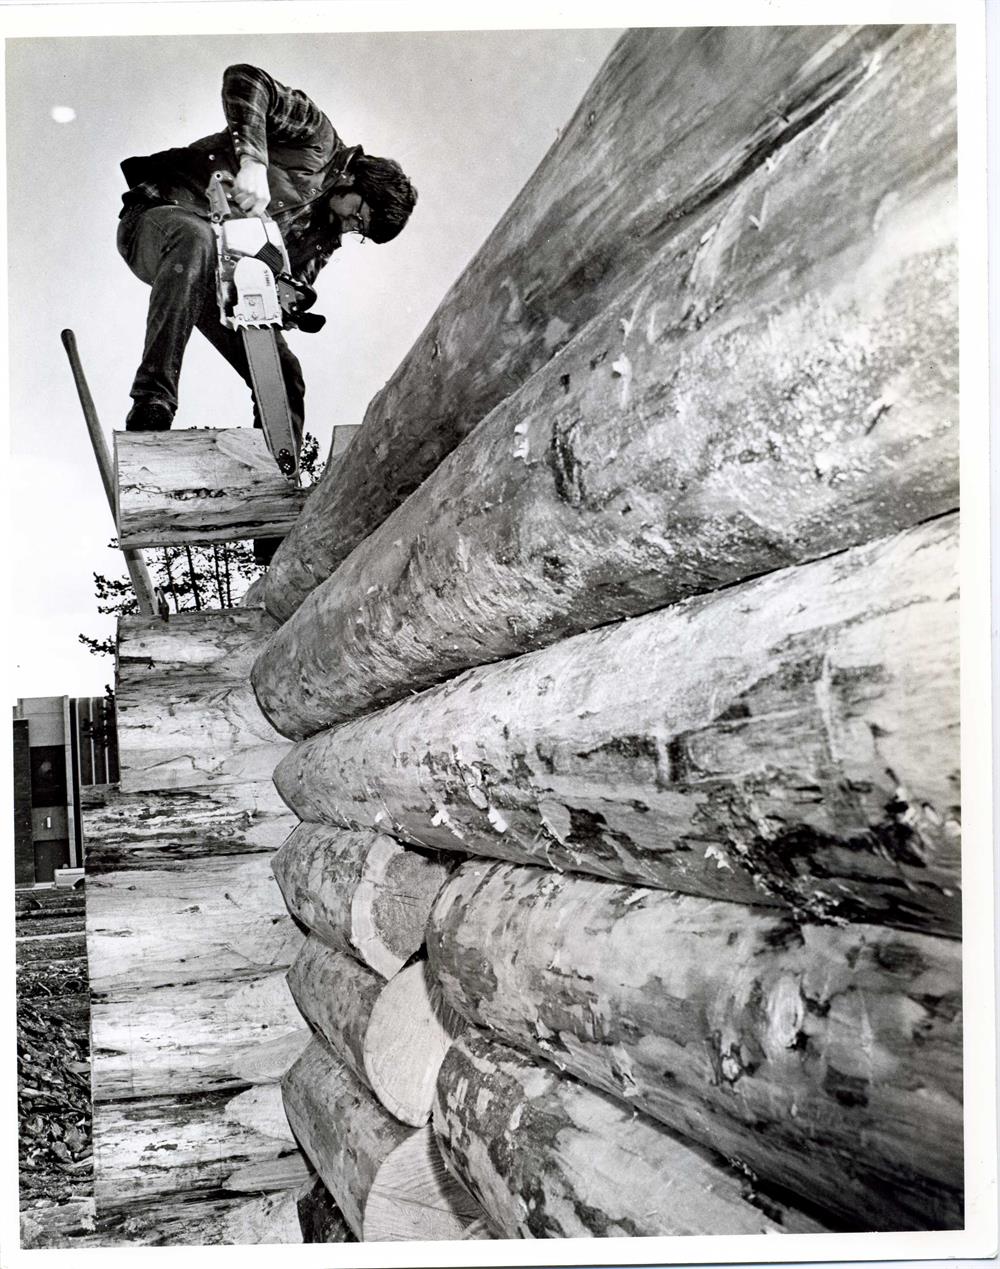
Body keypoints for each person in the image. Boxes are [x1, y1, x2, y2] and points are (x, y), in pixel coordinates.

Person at [117, 62, 417, 561]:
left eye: (358, 233)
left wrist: (290, 300)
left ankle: (272, 520)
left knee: (286, 375)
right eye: (357, 219)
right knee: (194, 239)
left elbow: (295, 282)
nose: (348, 231)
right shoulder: (316, 140)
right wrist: (252, 159)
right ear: (357, 185)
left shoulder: (322, 237)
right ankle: (153, 404)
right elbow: (245, 79)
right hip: (161, 220)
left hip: (224, 280)